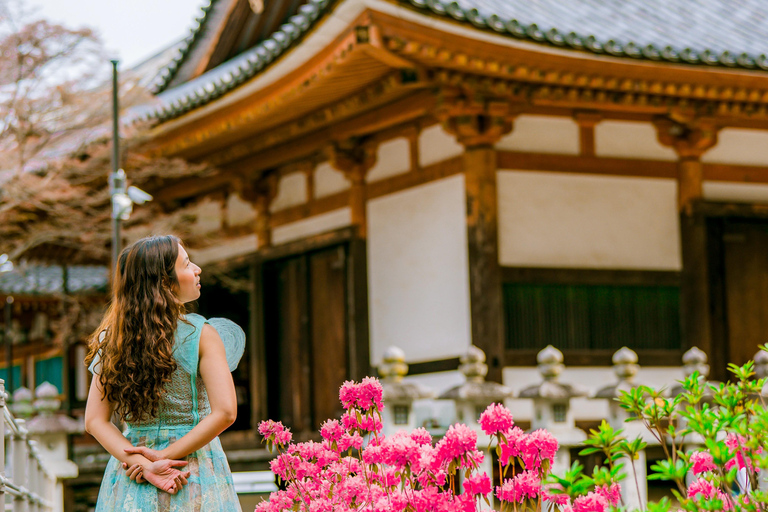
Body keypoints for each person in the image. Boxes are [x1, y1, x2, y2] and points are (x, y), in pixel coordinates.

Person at [85, 235, 245, 511]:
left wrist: (145, 465)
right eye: (186, 264)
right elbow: (226, 411)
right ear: (164, 282)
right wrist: (164, 457)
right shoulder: (202, 335)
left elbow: (95, 421)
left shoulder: (114, 341)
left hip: (133, 469)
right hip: (190, 466)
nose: (197, 269)